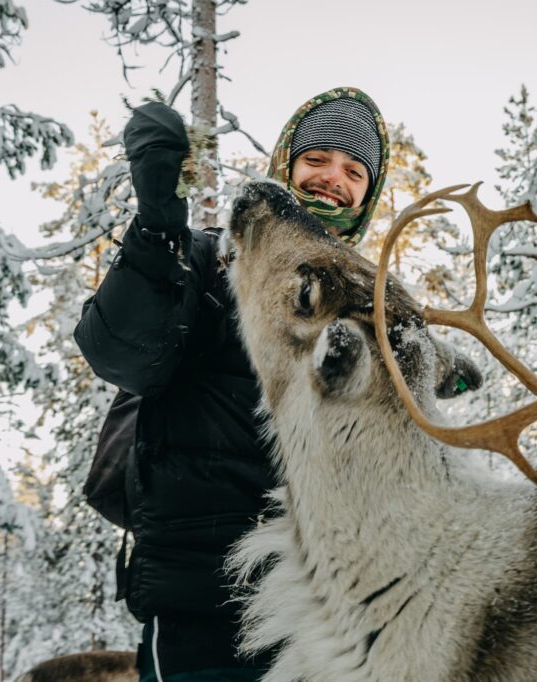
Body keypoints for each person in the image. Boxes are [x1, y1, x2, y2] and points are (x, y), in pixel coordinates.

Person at [74, 87, 390, 681]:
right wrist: (158, 230)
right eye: (317, 158)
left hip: (330, 619)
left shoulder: (373, 309)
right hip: (208, 604)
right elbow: (120, 352)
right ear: (287, 164)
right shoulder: (207, 263)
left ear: (367, 194)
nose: (333, 179)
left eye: (354, 170)